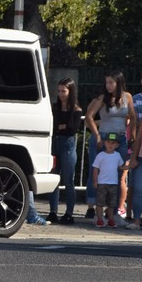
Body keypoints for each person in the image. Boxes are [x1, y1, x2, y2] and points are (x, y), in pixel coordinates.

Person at [84, 70, 136, 226]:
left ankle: (113, 212)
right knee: (96, 170)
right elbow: (89, 116)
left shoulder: (127, 97)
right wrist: (97, 135)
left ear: (118, 83)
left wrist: (132, 136)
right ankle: (93, 208)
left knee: (120, 174)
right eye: (106, 82)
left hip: (120, 138)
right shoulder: (103, 98)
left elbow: (132, 117)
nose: (108, 85)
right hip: (103, 137)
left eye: (111, 82)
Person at [47, 77, 82, 225]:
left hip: (68, 144)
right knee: (54, 178)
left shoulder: (76, 109)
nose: (61, 94)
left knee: (68, 180)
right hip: (55, 143)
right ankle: (53, 211)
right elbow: (54, 126)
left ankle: (69, 213)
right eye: (59, 91)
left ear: (70, 91)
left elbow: (73, 129)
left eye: (64, 91)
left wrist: (62, 127)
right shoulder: (55, 107)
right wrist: (62, 127)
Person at [92, 133, 130, 227]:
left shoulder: (117, 155)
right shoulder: (100, 155)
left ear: (117, 145)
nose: (110, 144)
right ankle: (100, 219)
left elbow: (121, 167)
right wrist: (95, 181)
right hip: (102, 183)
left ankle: (111, 220)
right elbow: (95, 168)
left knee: (111, 204)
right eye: (108, 142)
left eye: (113, 143)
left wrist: (129, 166)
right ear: (104, 143)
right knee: (100, 203)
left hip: (113, 183)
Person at [126, 70, 142, 223]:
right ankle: (133, 216)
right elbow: (134, 122)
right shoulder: (136, 99)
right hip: (140, 148)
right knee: (136, 186)